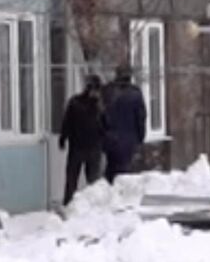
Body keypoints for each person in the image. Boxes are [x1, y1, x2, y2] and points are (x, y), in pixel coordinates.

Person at [59, 74, 105, 205]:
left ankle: (90, 206)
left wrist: (63, 138)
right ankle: (69, 204)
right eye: (95, 89)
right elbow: (67, 122)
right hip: (81, 147)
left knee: (90, 181)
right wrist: (63, 138)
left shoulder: (96, 106)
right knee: (74, 179)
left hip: (88, 147)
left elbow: (106, 126)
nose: (96, 93)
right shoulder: (77, 103)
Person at [102, 63, 148, 184]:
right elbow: (141, 118)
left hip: (110, 138)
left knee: (111, 169)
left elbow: (100, 115)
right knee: (125, 172)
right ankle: (119, 197)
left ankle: (108, 194)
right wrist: (140, 137)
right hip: (129, 139)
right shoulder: (135, 94)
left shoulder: (107, 91)